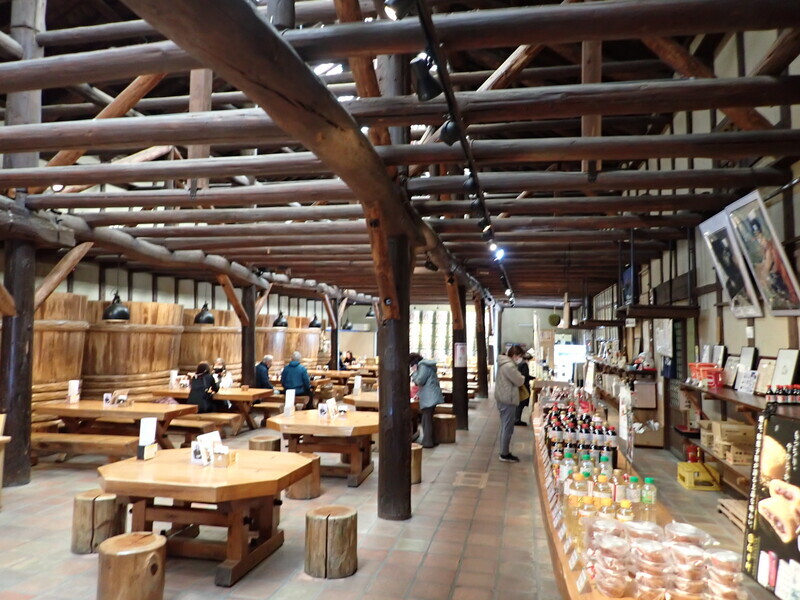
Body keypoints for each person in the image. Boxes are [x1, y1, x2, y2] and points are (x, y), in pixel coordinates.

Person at [495, 345, 526, 462]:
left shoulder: (504, 363)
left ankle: (504, 451)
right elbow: (519, 380)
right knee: (507, 427)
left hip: (503, 397)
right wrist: (522, 377)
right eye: (519, 356)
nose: (520, 359)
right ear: (514, 355)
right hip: (508, 399)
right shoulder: (509, 366)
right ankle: (504, 454)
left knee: (505, 426)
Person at [410, 352, 444, 448]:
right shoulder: (427, 365)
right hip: (431, 395)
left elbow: (420, 381)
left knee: (426, 420)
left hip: (429, 397)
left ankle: (427, 442)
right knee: (428, 419)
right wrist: (418, 394)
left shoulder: (423, 366)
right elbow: (427, 383)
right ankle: (433, 440)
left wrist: (414, 372)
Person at [514, 352, 534, 427]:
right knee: (521, 403)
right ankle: (517, 419)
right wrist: (533, 378)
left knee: (519, 403)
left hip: (519, 385)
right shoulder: (524, 364)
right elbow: (525, 376)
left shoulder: (519, 363)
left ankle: (516, 418)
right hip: (523, 386)